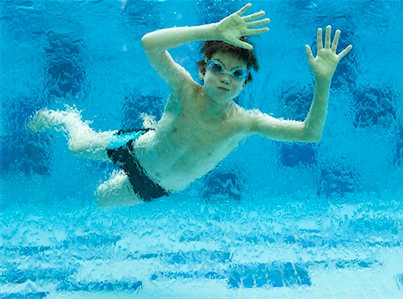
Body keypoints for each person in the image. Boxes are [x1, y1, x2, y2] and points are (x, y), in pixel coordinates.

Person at [28, 3, 352, 208]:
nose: (225, 78)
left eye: (236, 73)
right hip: (136, 149)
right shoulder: (184, 88)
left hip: (156, 185)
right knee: (76, 146)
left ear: (245, 82)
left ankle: (152, 124)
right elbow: (149, 45)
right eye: (217, 68)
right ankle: (66, 118)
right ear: (202, 70)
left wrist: (323, 81)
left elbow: (309, 133)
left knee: (99, 200)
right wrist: (211, 31)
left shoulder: (246, 122)